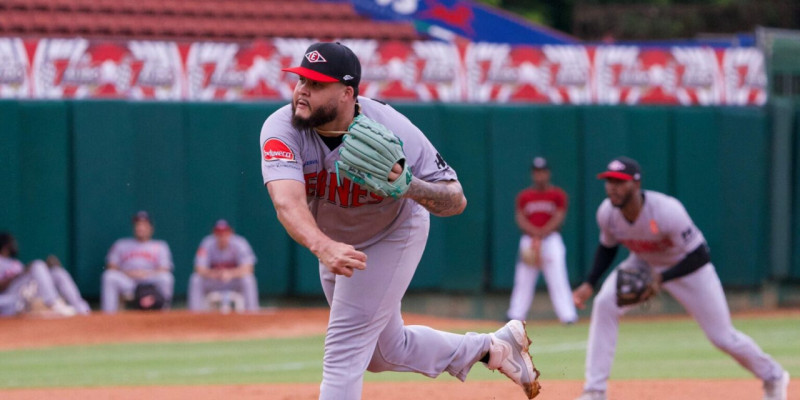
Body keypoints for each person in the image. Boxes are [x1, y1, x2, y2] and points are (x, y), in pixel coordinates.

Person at [261, 41, 540, 399]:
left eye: (316, 85)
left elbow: (456, 199)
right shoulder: (281, 127)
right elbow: (287, 203)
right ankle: (493, 348)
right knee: (383, 353)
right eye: (301, 80)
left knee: (344, 350)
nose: (302, 91)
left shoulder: (392, 128)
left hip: (391, 234)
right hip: (334, 242)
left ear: (347, 93)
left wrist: (409, 185)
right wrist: (324, 246)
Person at [572, 156, 790, 400]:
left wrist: (662, 278)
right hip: (644, 261)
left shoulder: (666, 210)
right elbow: (607, 247)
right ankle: (595, 391)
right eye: (609, 181)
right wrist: (589, 283)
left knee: (723, 338)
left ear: (636, 183)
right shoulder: (607, 213)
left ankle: (774, 375)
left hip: (689, 268)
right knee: (604, 304)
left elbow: (700, 254)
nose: (613, 186)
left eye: (620, 181)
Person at [506, 156, 578, 324]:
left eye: (542, 172)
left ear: (548, 173)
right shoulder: (524, 196)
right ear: (532, 174)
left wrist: (541, 234)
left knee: (558, 278)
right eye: (536, 172)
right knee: (523, 279)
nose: (539, 176)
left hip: (551, 240)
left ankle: (568, 315)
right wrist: (535, 235)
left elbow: (559, 217)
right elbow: (520, 218)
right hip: (529, 241)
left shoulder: (557, 194)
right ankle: (515, 315)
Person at [102, 211, 174, 313]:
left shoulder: (160, 245)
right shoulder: (121, 244)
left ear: (151, 228)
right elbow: (111, 265)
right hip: (128, 282)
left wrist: (146, 273)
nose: (140, 228)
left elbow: (165, 267)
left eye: (144, 225)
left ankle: (164, 312)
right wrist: (128, 273)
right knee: (109, 276)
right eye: (138, 224)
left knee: (166, 277)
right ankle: (108, 315)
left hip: (150, 280)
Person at [0, 232, 84, 317]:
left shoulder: (15, 263)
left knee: (57, 272)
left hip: (26, 294)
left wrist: (46, 267)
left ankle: (81, 308)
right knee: (37, 264)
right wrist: (22, 273)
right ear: (5, 246)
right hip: (9, 297)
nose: (15, 245)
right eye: (12, 242)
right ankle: (53, 303)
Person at [188, 219, 259, 312]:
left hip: (233, 281)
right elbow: (199, 269)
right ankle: (194, 313)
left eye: (225, 232)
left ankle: (252, 312)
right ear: (214, 233)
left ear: (230, 232)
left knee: (248, 279)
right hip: (214, 281)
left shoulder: (240, 243)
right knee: (196, 279)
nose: (222, 236)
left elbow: (249, 268)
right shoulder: (207, 243)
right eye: (219, 232)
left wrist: (230, 274)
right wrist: (215, 274)